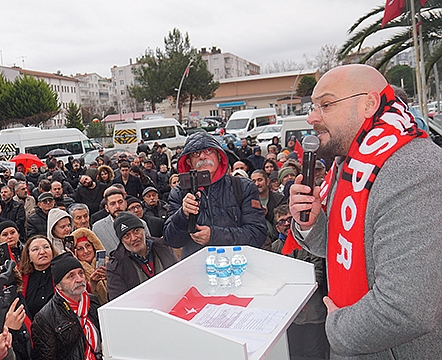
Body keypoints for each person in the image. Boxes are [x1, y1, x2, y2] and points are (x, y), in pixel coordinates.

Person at [287, 64, 442, 359]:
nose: (311, 117)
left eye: (326, 104)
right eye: (312, 106)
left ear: (369, 103)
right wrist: (312, 222)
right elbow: (341, 247)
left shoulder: (414, 170)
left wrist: (336, 328)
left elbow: (407, 309)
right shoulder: (351, 162)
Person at [164, 131, 267, 258]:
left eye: (208, 151)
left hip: (237, 266)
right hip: (197, 270)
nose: (202, 156)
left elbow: (257, 234)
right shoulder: (179, 193)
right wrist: (182, 215)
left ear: (219, 156)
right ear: (189, 162)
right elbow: (172, 240)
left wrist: (214, 236)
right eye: (196, 154)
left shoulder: (243, 187)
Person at [270, 204, 328, 359]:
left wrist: (298, 295)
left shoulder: (310, 242)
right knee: (294, 352)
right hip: (289, 315)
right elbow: (275, 279)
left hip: (313, 311)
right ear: (277, 228)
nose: (287, 224)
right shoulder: (275, 248)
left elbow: (318, 274)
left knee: (314, 352)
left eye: (290, 219)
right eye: (282, 222)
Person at [31, 252, 102, 360]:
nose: (79, 279)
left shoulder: (93, 301)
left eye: (81, 273)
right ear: (59, 286)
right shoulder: (45, 318)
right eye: (71, 276)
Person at [106, 212, 177, 301]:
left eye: (136, 231)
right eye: (126, 236)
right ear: (122, 241)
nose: (134, 238)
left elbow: (178, 276)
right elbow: (120, 303)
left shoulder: (163, 247)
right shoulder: (115, 267)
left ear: (144, 230)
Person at [19, 236, 58, 316]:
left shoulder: (61, 273)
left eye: (46, 247)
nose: (42, 252)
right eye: (35, 249)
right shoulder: (21, 279)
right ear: (29, 256)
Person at [71, 228, 108, 305]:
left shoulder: (109, 263)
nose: (86, 251)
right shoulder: (75, 272)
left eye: (88, 246)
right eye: (80, 249)